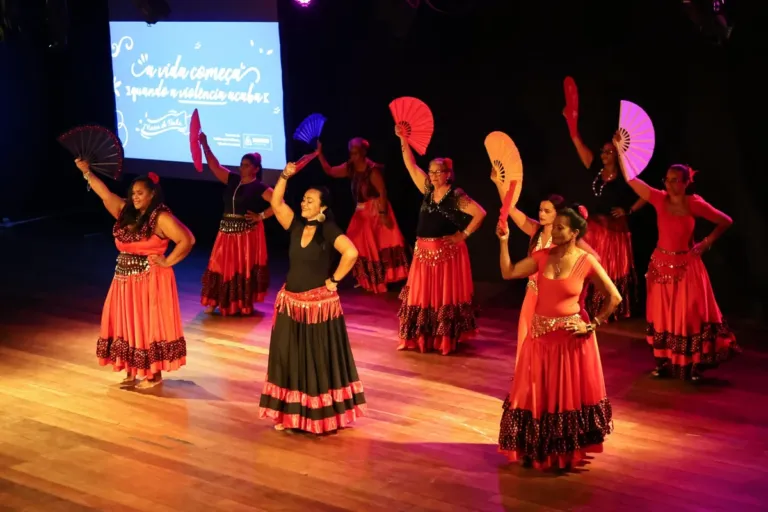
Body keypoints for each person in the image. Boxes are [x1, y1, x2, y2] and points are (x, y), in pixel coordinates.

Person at [496, 205, 619, 470]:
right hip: (539, 339)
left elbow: (614, 297)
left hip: (570, 343)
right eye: (554, 226)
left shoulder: (586, 261)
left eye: (560, 227)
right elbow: (509, 272)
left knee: (564, 398)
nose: (554, 230)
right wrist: (504, 242)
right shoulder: (541, 256)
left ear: (574, 233)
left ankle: (563, 453)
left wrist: (593, 324)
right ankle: (536, 447)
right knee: (538, 395)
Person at [258, 157, 367, 434]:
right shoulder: (295, 225)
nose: (304, 203)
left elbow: (351, 252)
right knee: (288, 357)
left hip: (317, 307)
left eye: (309, 200)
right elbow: (276, 203)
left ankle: (317, 416)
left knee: (314, 359)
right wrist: (284, 175)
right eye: (304, 199)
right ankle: (289, 414)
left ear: (323, 206)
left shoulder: (327, 229)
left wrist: (333, 281)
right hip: (290, 304)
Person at [614, 151, 738, 380]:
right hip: (660, 266)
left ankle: (692, 365)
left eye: (674, 180)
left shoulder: (694, 204)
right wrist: (622, 154)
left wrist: (707, 242)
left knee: (688, 317)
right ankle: (663, 361)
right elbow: (633, 181)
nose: (669, 185)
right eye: (667, 180)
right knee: (662, 316)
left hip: (686, 267)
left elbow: (725, 221)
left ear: (685, 183)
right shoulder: (659, 198)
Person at [76, 159, 195, 389]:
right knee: (125, 322)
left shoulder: (161, 218)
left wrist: (168, 261)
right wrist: (87, 172)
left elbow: (187, 239)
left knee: (147, 324)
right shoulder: (125, 212)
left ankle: (153, 374)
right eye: (133, 193)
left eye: (140, 193)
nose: (135, 197)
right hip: (123, 280)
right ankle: (131, 369)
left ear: (152, 194)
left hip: (150, 280)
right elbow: (105, 194)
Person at [395, 125, 486, 355]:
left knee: (442, 297)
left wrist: (463, 235)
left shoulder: (455, 195)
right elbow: (410, 165)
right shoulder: (426, 189)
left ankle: (443, 340)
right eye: (432, 171)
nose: (434, 175)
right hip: (422, 252)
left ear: (448, 173)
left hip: (444, 254)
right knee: (420, 296)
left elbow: (480, 213)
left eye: (439, 171)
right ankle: (421, 339)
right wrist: (404, 140)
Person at [490, 170, 600, 358]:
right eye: (540, 210)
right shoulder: (535, 230)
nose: (541, 214)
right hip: (532, 294)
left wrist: (576, 286)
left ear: (558, 215)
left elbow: (594, 259)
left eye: (547, 211)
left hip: (554, 299)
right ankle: (528, 382)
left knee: (549, 345)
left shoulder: (566, 238)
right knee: (527, 339)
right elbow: (511, 209)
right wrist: (499, 184)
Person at [565, 108, 646, 321]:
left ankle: (612, 307)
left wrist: (628, 210)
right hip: (595, 227)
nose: (603, 155)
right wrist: (571, 122)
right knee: (591, 264)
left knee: (612, 268)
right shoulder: (595, 168)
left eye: (609, 152)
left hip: (614, 230)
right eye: (602, 151)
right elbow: (577, 143)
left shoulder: (626, 174)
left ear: (618, 153)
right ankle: (589, 305)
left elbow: (648, 195)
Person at [316, 138, 410, 293]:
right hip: (361, 211)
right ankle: (365, 278)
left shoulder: (372, 170)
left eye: (356, 153)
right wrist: (320, 154)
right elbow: (330, 171)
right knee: (355, 244)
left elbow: (382, 192)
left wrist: (383, 214)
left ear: (363, 153)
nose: (353, 156)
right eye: (351, 153)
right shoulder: (350, 167)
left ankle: (379, 281)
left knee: (374, 246)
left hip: (375, 210)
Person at [199, 133, 274, 315]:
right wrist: (205, 145)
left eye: (246, 165)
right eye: (241, 164)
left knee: (240, 268)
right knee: (219, 265)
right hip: (225, 232)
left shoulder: (260, 187)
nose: (242, 168)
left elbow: (279, 205)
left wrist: (261, 216)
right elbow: (214, 166)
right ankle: (214, 301)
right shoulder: (232, 179)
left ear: (256, 169)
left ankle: (242, 304)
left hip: (244, 237)